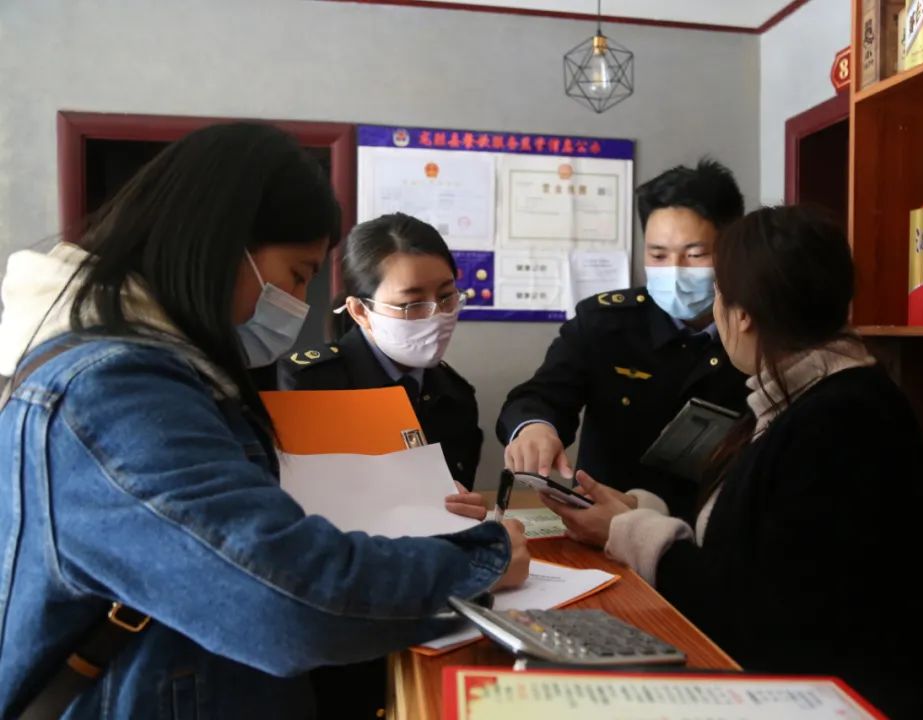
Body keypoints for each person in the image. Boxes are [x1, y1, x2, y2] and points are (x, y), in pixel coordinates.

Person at [0, 123, 529, 719]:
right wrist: (476, 564)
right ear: (223, 245)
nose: (297, 304)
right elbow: (283, 599)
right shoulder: (113, 390)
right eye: (298, 274)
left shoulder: (161, 372)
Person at [538, 206, 923, 719]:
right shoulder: (816, 393)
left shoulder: (838, 418)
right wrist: (638, 512)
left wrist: (627, 530)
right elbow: (758, 548)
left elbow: (750, 611)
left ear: (743, 314)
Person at [497, 159, 748, 518]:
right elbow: (540, 395)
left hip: (715, 528)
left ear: (733, 249)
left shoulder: (758, 330)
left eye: (695, 255)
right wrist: (535, 427)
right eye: (658, 254)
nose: (674, 271)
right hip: (607, 525)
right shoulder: (606, 323)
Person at [279, 213, 484, 494]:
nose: (436, 314)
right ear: (360, 311)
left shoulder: (455, 396)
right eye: (412, 304)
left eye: (447, 296)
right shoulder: (308, 385)